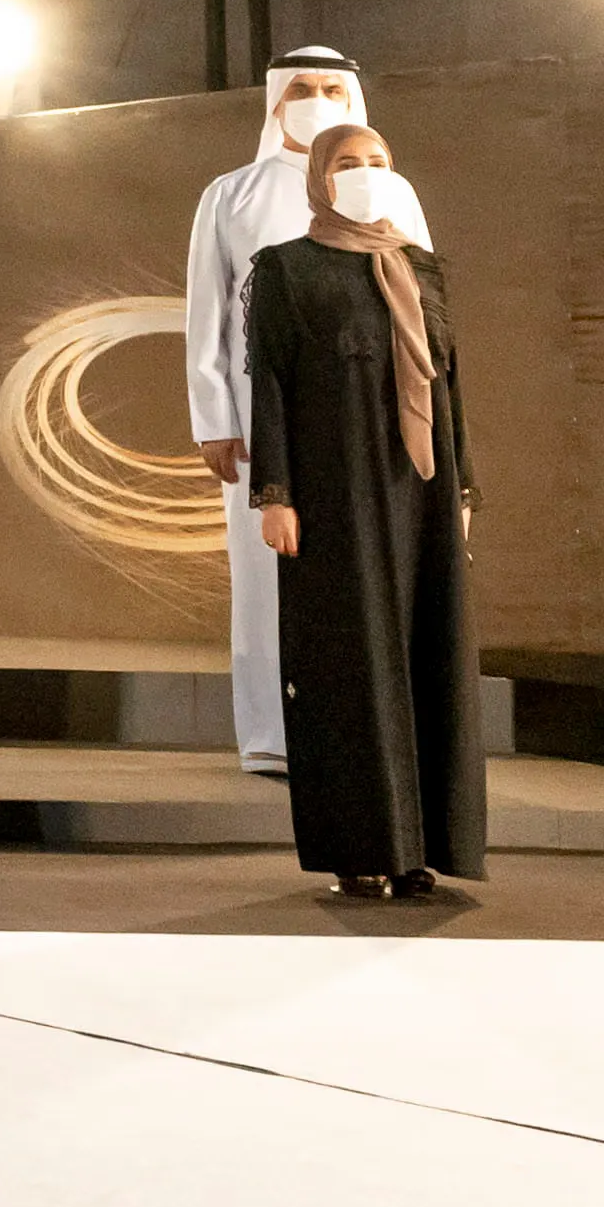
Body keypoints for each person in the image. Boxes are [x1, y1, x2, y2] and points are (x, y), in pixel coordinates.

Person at [243, 117, 483, 900]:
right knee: (349, 665)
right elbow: (270, 386)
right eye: (348, 162)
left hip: (418, 495)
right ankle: (359, 844)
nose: (365, 173)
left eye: (378, 161)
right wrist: (274, 493)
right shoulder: (285, 269)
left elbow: (447, 387)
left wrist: (463, 489)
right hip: (335, 493)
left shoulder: (420, 269)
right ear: (318, 177)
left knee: (422, 657)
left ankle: (418, 846)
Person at [185, 47, 420, 774]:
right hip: (264, 417)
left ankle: (367, 728)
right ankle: (271, 735)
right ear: (274, 101)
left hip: (366, 412)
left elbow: (420, 315)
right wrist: (213, 416)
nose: (316, 100)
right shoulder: (231, 194)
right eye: (300, 89)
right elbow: (207, 312)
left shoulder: (394, 195)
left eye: (330, 88)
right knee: (264, 575)